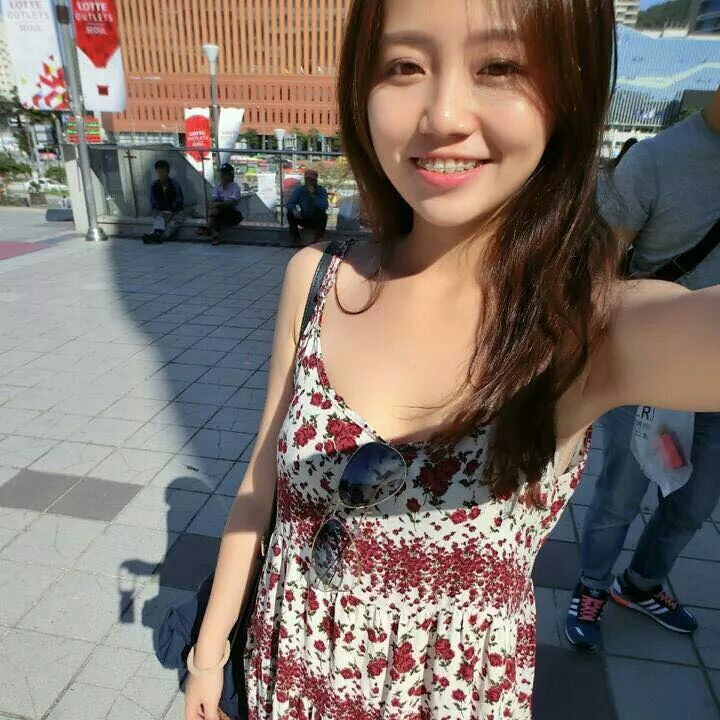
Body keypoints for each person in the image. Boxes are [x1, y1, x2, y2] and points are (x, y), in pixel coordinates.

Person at [185, 3, 720, 719]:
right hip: (284, 675)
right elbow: (262, 484)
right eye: (404, 66)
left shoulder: (583, 329)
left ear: (569, 92)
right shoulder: (316, 279)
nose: (441, 115)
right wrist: (209, 654)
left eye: (499, 66)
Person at [565, 86, 720, 651]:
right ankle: (591, 585)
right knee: (619, 496)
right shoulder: (655, 159)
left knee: (695, 502)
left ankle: (642, 583)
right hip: (648, 366)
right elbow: (600, 273)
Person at [143, 159, 185, 244]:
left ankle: (158, 237)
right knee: (159, 220)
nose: (161, 174)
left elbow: (179, 199)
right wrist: (159, 210)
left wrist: (171, 211)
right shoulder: (154, 185)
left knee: (172, 225)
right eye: (159, 172)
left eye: (163, 172)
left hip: (175, 212)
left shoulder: (174, 184)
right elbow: (153, 201)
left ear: (167, 172)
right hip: (161, 212)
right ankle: (155, 235)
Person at [286, 168, 329, 243]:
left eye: (311, 180)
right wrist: (294, 210)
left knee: (323, 216)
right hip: (304, 217)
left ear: (315, 181)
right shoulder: (300, 190)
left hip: (316, 220)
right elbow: (290, 203)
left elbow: (324, 206)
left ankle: (318, 238)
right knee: (290, 214)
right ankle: (296, 238)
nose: (309, 182)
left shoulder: (321, 190)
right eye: (307, 179)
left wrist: (314, 196)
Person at [206, 163, 244, 246]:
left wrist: (217, 204)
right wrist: (214, 204)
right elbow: (212, 200)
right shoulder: (217, 187)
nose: (222, 176)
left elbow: (231, 202)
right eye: (221, 174)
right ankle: (215, 235)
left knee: (219, 208)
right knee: (216, 210)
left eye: (224, 174)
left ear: (230, 176)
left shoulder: (235, 187)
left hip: (233, 215)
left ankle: (209, 227)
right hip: (219, 213)